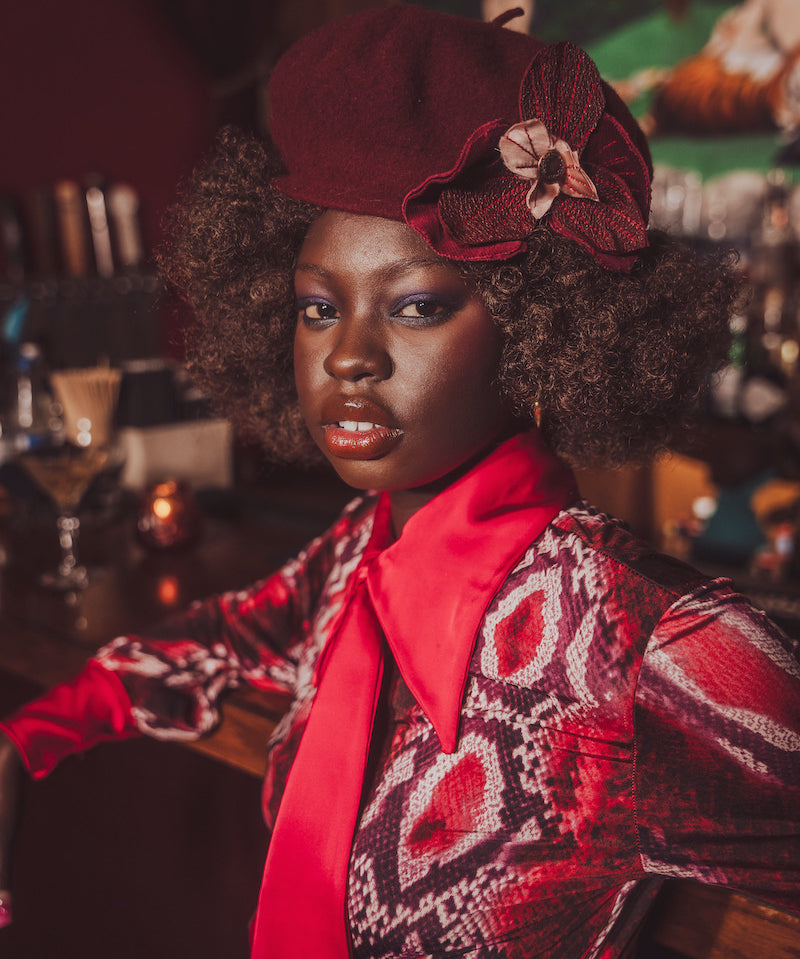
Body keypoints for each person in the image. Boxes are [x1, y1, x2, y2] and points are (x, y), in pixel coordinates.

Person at [0, 5, 798, 957]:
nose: (348, 358)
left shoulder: (649, 644)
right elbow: (220, 637)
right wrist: (27, 737)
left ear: (538, 326)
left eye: (417, 305)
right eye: (316, 307)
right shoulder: (359, 553)